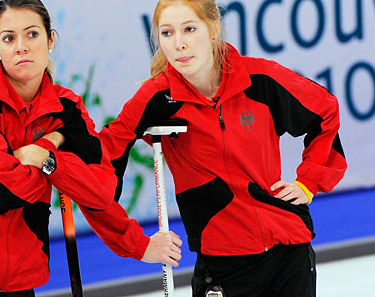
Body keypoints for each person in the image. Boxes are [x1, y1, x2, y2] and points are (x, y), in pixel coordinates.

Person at [0, 1, 181, 296]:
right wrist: (52, 142)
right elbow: (0, 189)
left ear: (50, 40)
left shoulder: (67, 109)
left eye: (32, 34)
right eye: (9, 38)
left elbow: (102, 189)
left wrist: (49, 161)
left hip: (18, 281)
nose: (21, 46)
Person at [97, 0, 348, 296]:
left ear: (214, 29)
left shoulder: (260, 80)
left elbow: (325, 113)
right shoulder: (156, 99)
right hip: (224, 265)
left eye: (189, 29)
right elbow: (100, 164)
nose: (179, 43)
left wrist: (309, 182)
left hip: (289, 251)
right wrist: (134, 243)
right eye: (167, 33)